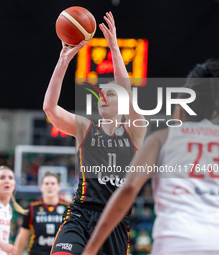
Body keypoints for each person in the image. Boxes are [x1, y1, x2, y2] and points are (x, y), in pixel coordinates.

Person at [82, 58, 219, 255]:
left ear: (181, 106)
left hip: (177, 242)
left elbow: (129, 188)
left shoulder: (161, 138)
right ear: (214, 111)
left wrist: (91, 248)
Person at [43, 12, 146, 255]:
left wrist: (113, 46)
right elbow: (50, 108)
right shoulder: (85, 128)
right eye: (100, 94)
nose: (103, 97)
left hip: (115, 223)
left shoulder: (135, 130)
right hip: (80, 214)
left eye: (110, 94)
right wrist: (63, 61)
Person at [14, 172, 70, 255]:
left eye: (53, 183)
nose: (49, 186)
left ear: (59, 186)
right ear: (41, 187)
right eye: (46, 183)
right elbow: (22, 237)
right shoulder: (32, 207)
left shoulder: (69, 208)